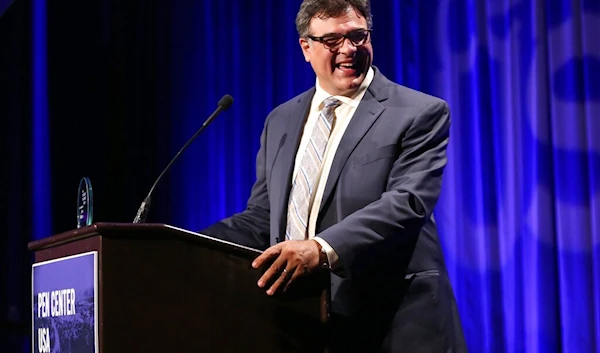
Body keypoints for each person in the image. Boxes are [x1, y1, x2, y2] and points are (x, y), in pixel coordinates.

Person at [202, 0, 467, 351]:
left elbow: (408, 203)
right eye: (332, 41)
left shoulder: (419, 112)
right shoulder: (280, 120)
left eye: (358, 36)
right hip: (302, 322)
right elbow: (263, 218)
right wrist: (182, 241)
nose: (349, 50)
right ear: (306, 47)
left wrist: (320, 250)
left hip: (393, 324)